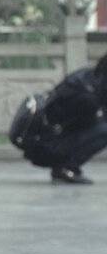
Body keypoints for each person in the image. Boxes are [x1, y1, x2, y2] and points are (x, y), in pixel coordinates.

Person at [11, 53, 107, 184]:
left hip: (48, 139)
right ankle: (65, 168)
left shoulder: (87, 76)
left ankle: (64, 167)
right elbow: (80, 126)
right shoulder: (88, 96)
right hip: (46, 146)